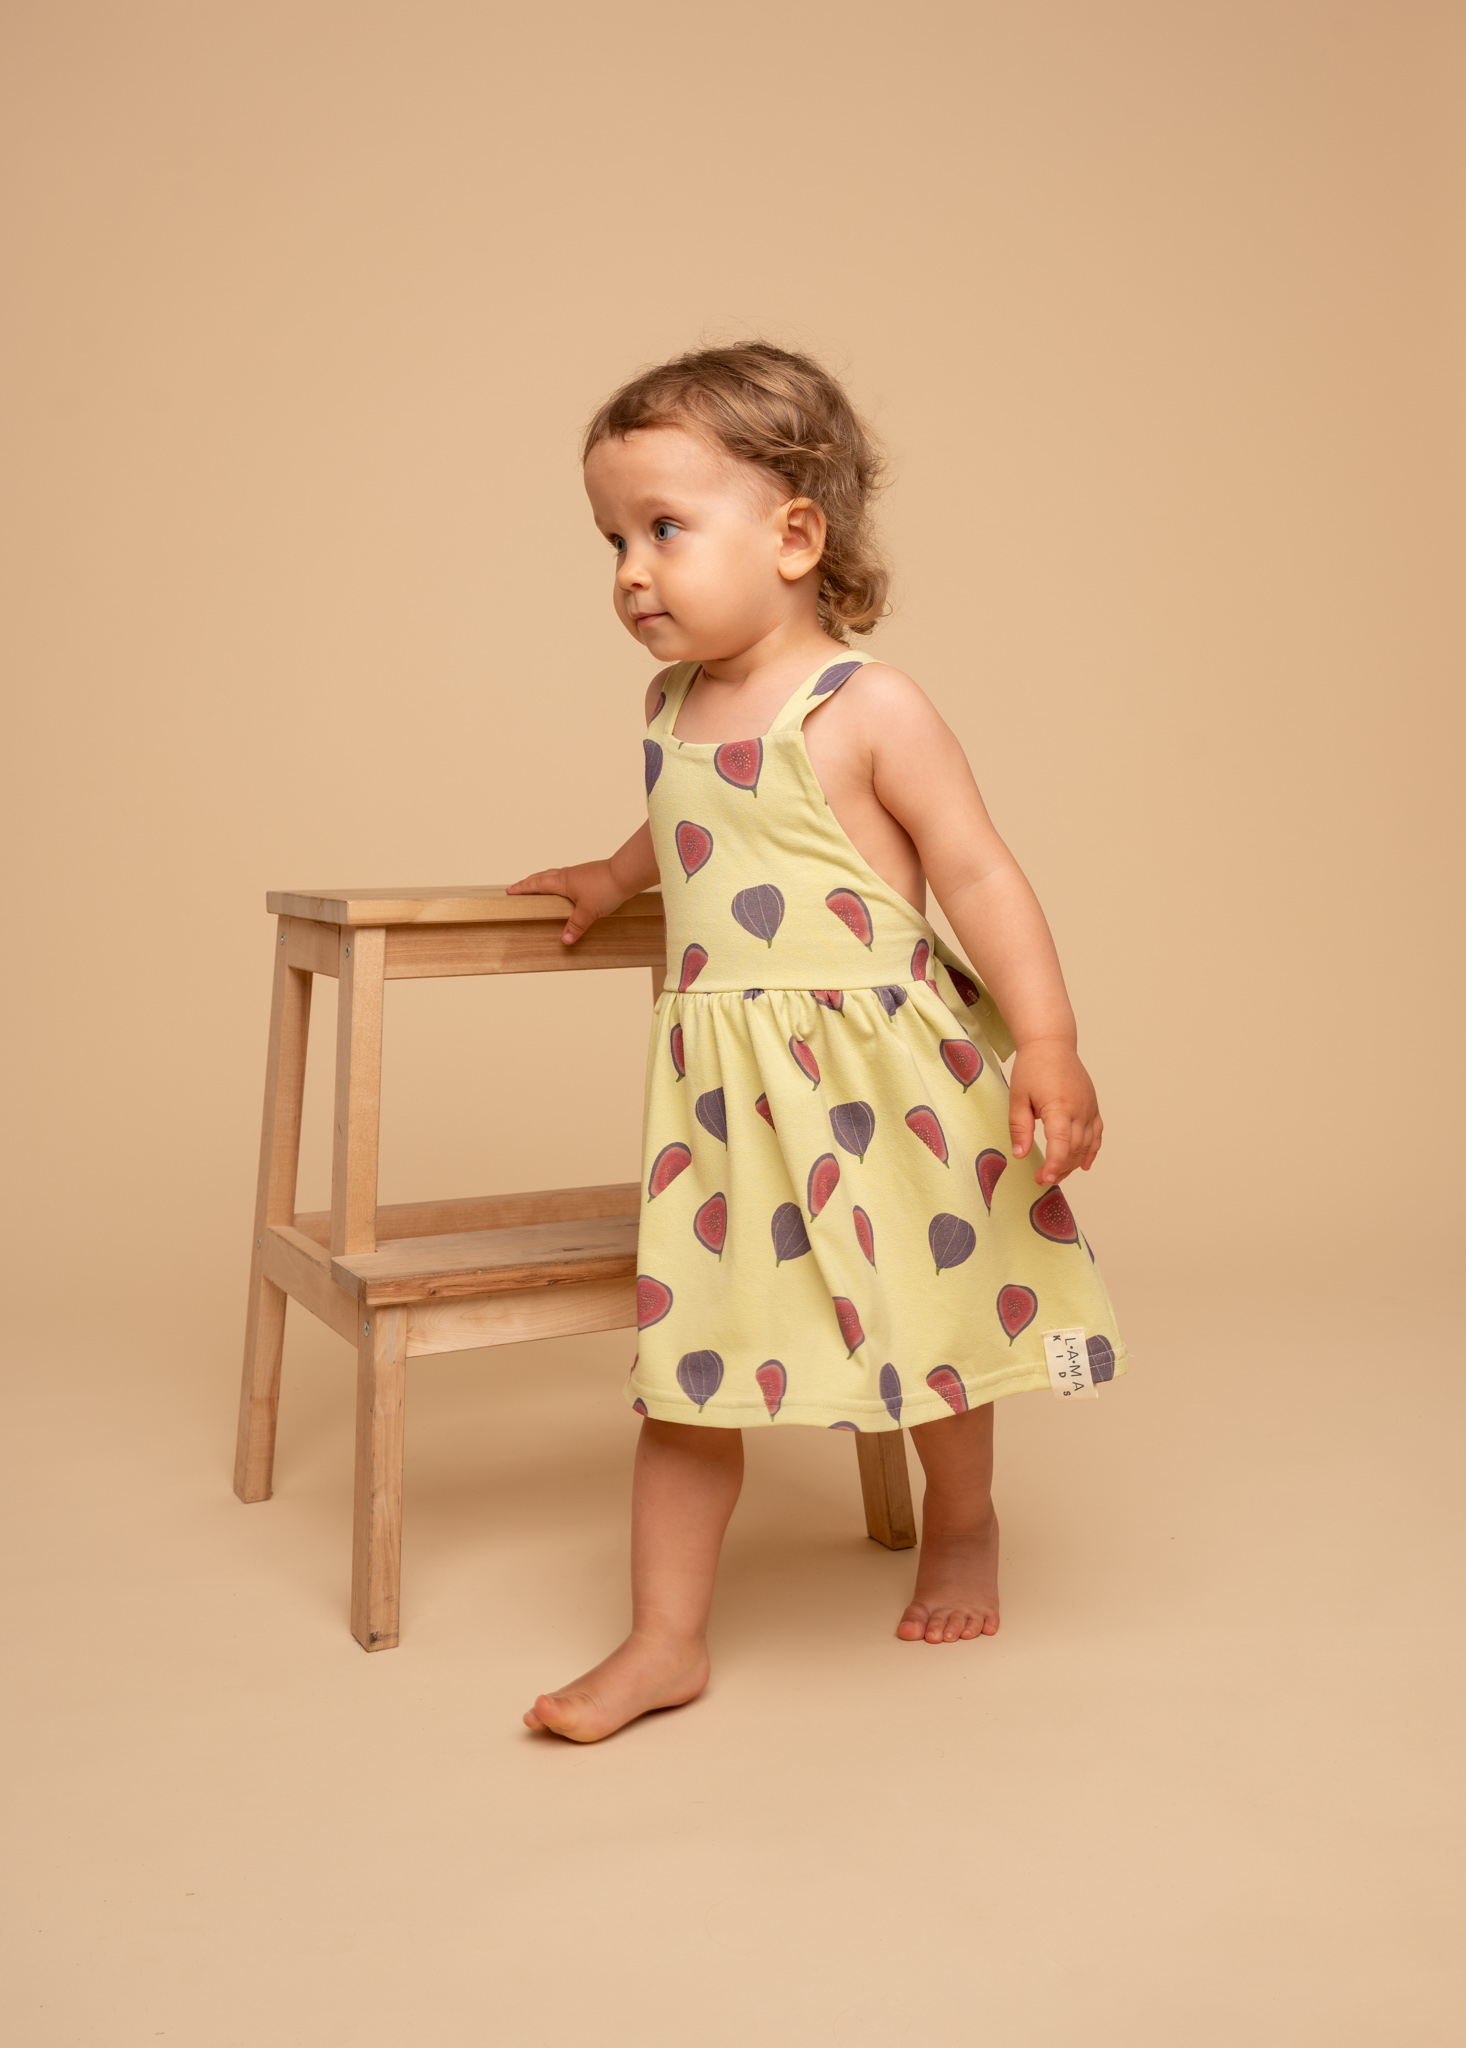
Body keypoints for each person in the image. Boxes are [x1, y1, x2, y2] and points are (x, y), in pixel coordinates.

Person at [509, 342, 1124, 1741]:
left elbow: (977, 872)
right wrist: (614, 876)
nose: (630, 572)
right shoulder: (670, 707)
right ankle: (663, 1640)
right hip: (727, 1105)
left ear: (794, 537)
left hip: (880, 1088)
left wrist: (1048, 1040)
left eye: (663, 529)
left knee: (931, 1321)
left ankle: (961, 1525)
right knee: (691, 1366)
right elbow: (685, 822)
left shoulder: (867, 706)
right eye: (612, 541)